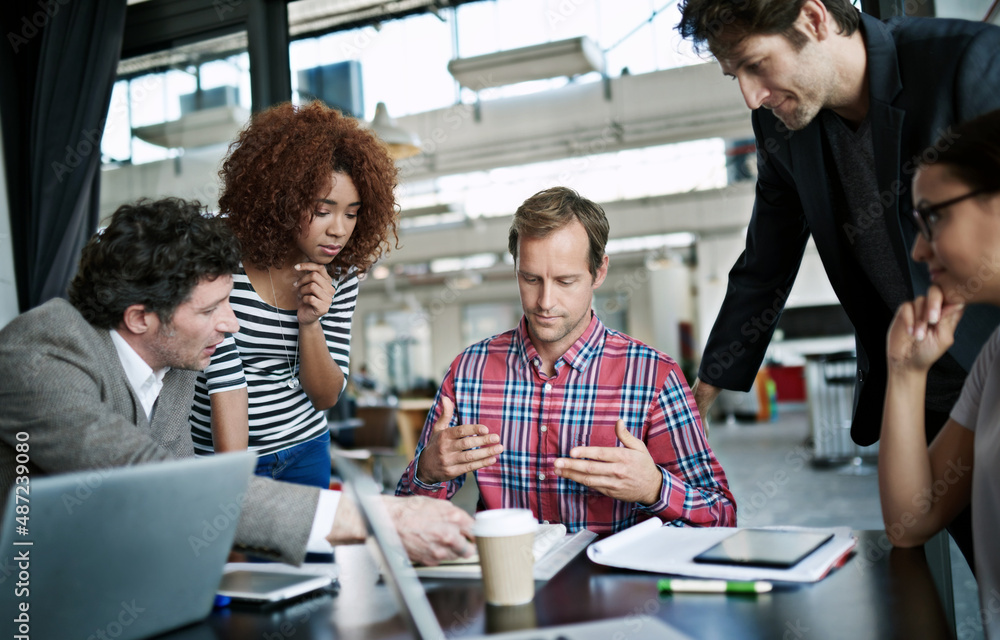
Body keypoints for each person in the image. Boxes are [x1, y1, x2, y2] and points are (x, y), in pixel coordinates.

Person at [677, 0, 1000, 561]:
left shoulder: (965, 63)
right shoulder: (781, 125)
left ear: (813, 19)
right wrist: (705, 387)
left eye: (756, 64)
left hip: (988, 356)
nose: (751, 95)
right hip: (925, 388)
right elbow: (766, 257)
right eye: (736, 77)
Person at [0, 198, 473, 567]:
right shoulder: (39, 357)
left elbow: (186, 503)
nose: (231, 324)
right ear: (140, 317)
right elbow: (155, 485)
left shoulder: (175, 363)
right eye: (210, 310)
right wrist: (377, 519)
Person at [396, 187, 735, 533]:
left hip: (615, 583)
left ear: (599, 272)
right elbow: (406, 519)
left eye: (565, 281)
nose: (545, 301)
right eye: (530, 279)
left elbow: (721, 516)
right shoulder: (469, 372)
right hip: (511, 579)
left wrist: (655, 489)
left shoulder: (654, 377)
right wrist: (426, 471)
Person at [188, 101, 397, 487]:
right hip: (215, 454)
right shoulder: (219, 250)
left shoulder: (342, 272)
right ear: (283, 199)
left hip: (305, 448)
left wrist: (311, 322)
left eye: (351, 213)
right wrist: (231, 473)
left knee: (310, 548)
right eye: (323, 210)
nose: (339, 229)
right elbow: (213, 370)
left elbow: (325, 397)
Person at [879, 110, 1000, 640]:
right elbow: (911, 521)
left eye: (932, 220)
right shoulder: (995, 357)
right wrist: (906, 374)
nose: (920, 251)